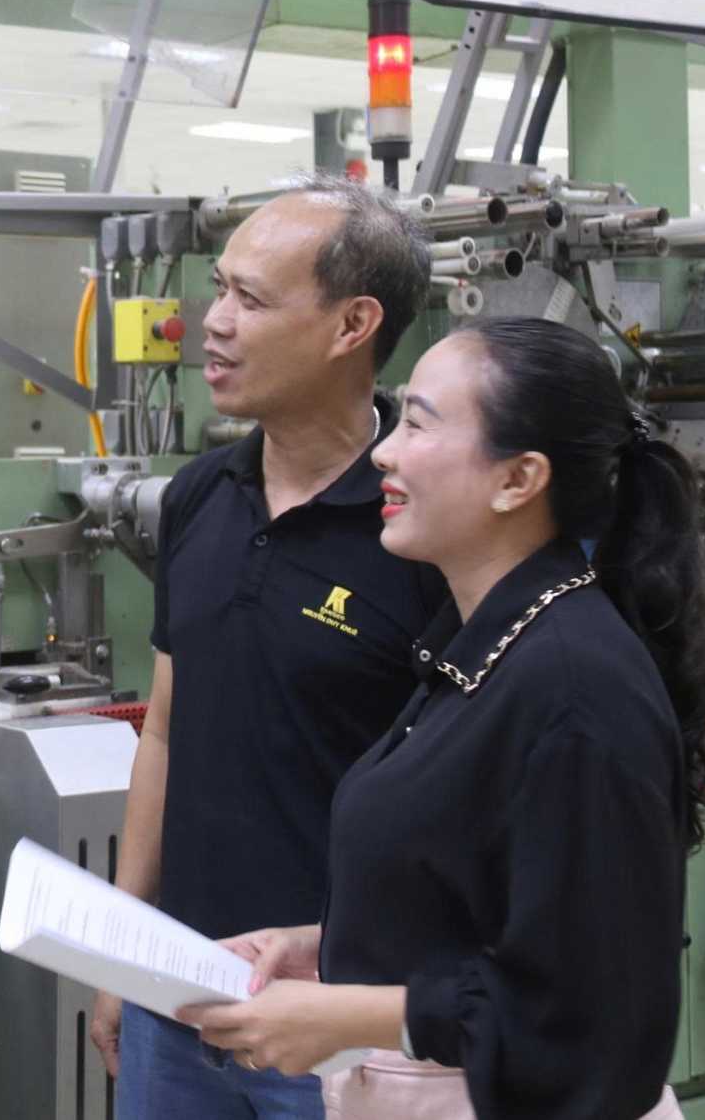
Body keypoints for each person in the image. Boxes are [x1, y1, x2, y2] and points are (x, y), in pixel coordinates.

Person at [181, 317, 705, 1120]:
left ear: (517, 478)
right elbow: (481, 902)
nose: (385, 451)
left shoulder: (572, 688)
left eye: (420, 424)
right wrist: (326, 947)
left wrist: (352, 1012)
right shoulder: (485, 642)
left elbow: (588, 1023)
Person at [93, 175, 446, 1119]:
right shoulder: (200, 495)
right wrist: (123, 948)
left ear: (351, 325)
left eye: (251, 300)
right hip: (180, 995)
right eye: (219, 290)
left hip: (337, 1022)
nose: (213, 324)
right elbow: (164, 732)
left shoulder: (421, 528)